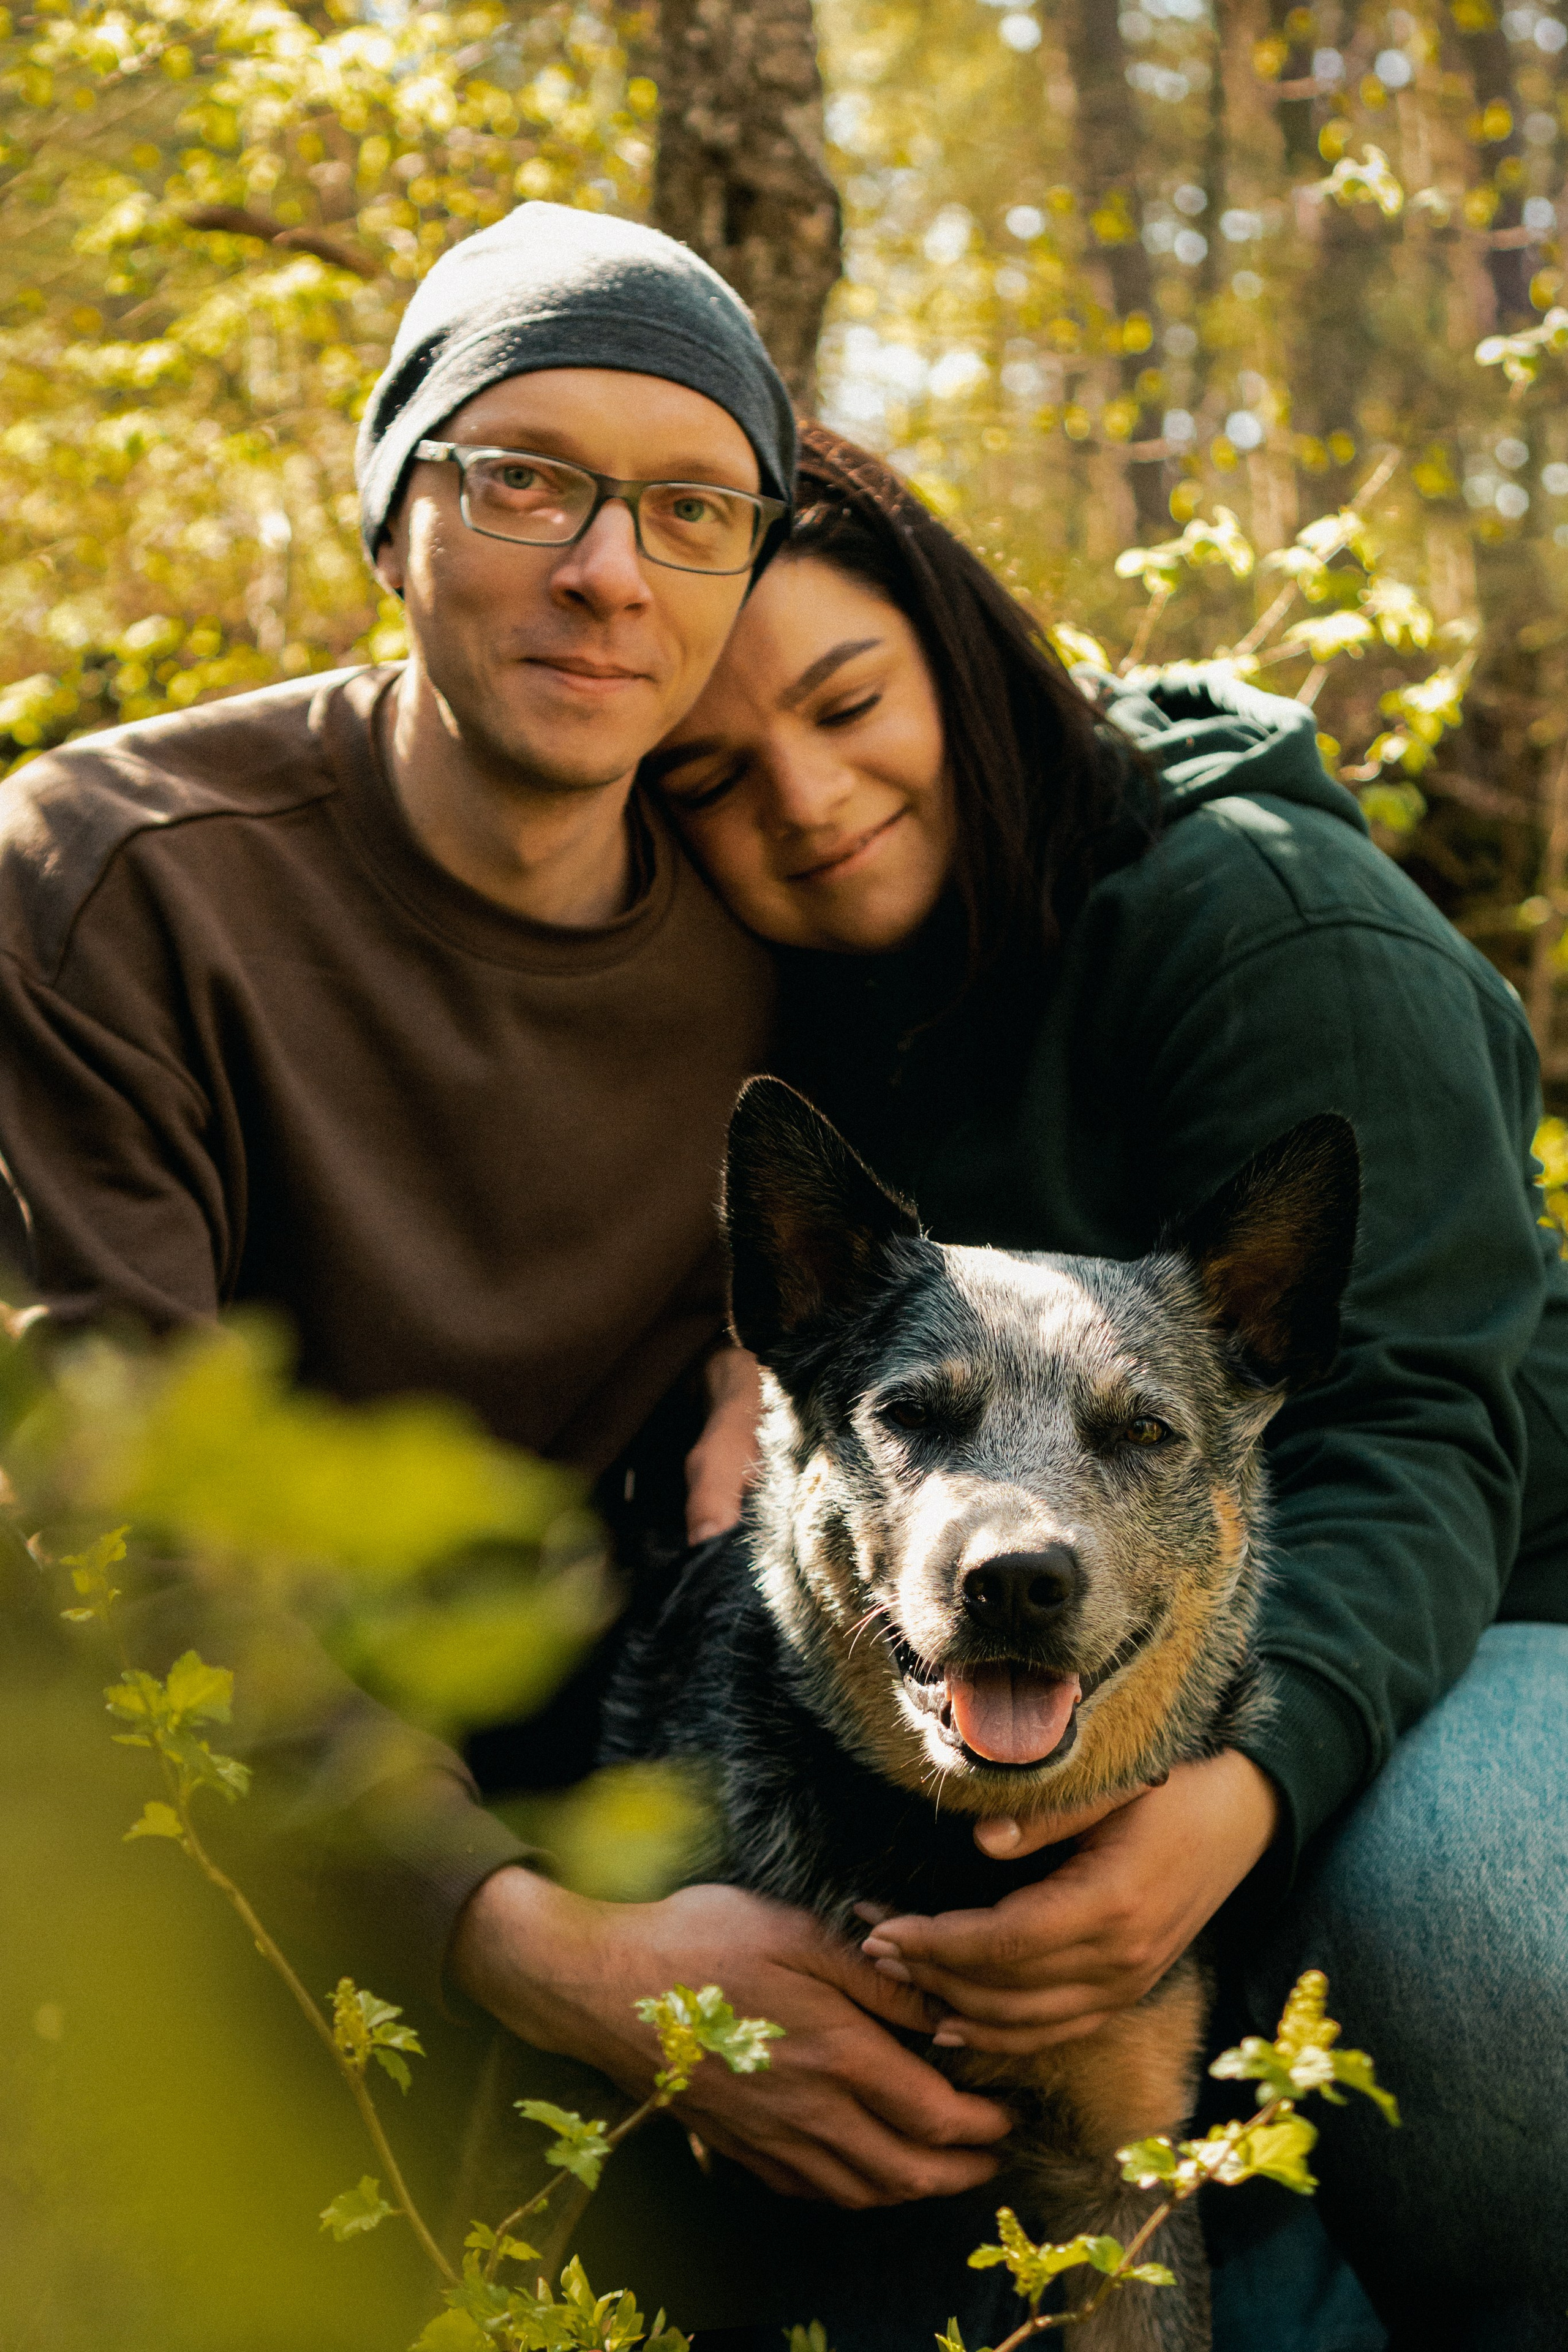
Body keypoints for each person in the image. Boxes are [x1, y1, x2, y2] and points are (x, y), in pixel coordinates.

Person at [0, 206, 1022, 2310]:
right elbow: (113, 1531)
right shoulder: (112, 881)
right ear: (396, 515)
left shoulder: (779, 928)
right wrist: (531, 1943)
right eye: (524, 477)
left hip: (594, 1736)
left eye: (688, 507)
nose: (604, 568)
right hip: (163, 1800)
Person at [630, 421, 1568, 2347]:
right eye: (716, 774)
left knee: (1482, 1970)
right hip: (1038, 1619)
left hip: (1483, 1599)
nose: (806, 801)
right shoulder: (791, 971)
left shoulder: (1266, 921)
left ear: (964, 654)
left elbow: (1421, 1433)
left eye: (849, 700)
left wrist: (1232, 1802)